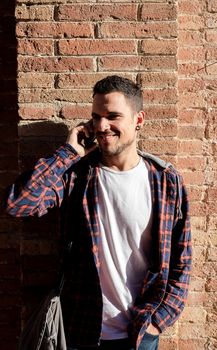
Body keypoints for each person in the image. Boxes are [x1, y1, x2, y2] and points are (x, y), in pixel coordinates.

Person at [5, 75, 192, 350]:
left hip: (139, 334)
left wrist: (157, 321)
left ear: (138, 120)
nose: (102, 126)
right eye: (96, 117)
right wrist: (68, 152)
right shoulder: (78, 175)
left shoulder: (166, 181)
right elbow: (19, 204)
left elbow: (182, 260)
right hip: (79, 329)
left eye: (113, 116)